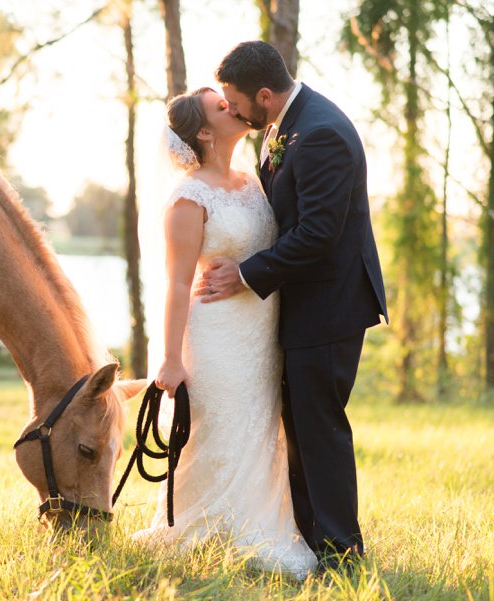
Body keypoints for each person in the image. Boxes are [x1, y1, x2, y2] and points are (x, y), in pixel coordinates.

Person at [197, 41, 388, 572]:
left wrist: (245, 273)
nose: (233, 112)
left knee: (318, 426)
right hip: (307, 303)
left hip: (330, 305)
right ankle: (310, 540)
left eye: (236, 104)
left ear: (264, 94)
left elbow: (318, 235)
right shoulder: (287, 124)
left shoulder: (320, 131)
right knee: (302, 424)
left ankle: (341, 554)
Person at [132, 84, 317, 579]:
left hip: (258, 333)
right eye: (222, 107)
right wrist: (170, 360)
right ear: (205, 133)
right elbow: (175, 286)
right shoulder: (188, 199)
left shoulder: (253, 180)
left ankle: (260, 522)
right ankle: (207, 529)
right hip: (213, 336)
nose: (234, 108)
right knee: (220, 428)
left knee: (257, 427)